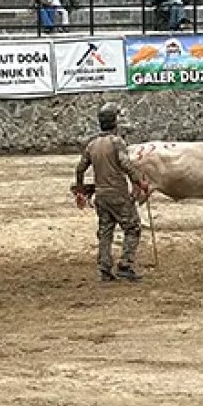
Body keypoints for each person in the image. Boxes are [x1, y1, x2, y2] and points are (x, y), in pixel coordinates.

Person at [74, 103, 148, 282]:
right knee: (133, 227)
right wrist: (140, 181)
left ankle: (104, 267)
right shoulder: (116, 142)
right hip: (118, 194)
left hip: (101, 195)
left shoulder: (92, 145)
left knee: (105, 231)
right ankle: (126, 264)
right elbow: (125, 164)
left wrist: (80, 190)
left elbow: (80, 168)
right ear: (115, 122)